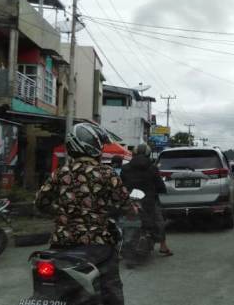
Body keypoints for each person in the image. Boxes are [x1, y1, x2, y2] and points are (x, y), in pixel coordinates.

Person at [35, 123, 134, 305]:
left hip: (61, 244)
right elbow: (125, 204)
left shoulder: (60, 172)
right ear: (93, 146)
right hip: (98, 244)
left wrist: (60, 212)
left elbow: (41, 202)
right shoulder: (106, 173)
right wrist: (130, 211)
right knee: (111, 288)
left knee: (49, 287)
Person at [120, 143, 173, 257]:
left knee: (119, 219)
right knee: (159, 220)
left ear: (133, 154)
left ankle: (119, 248)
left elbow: (121, 185)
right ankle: (163, 247)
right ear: (148, 154)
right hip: (148, 200)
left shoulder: (125, 168)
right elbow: (159, 185)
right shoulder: (152, 168)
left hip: (130, 200)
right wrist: (162, 190)